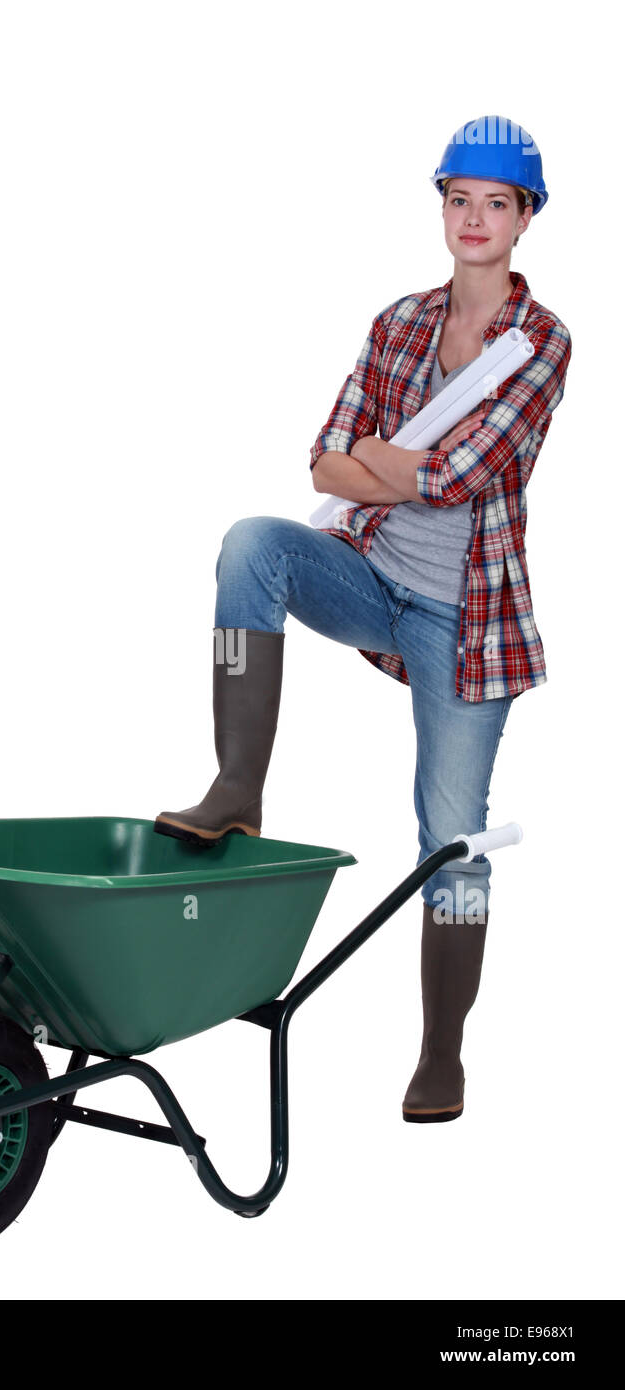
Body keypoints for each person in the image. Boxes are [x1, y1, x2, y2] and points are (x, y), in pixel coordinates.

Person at [153, 115, 572, 1123]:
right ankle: (235, 788)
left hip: (466, 622)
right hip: (369, 579)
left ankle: (440, 1051)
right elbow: (324, 461)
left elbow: (464, 475)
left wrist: (391, 463)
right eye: (456, 199)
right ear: (440, 206)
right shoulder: (395, 323)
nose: (472, 219)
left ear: (523, 219)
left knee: (450, 837)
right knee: (251, 543)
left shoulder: (541, 343)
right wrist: (396, 467)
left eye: (494, 204)